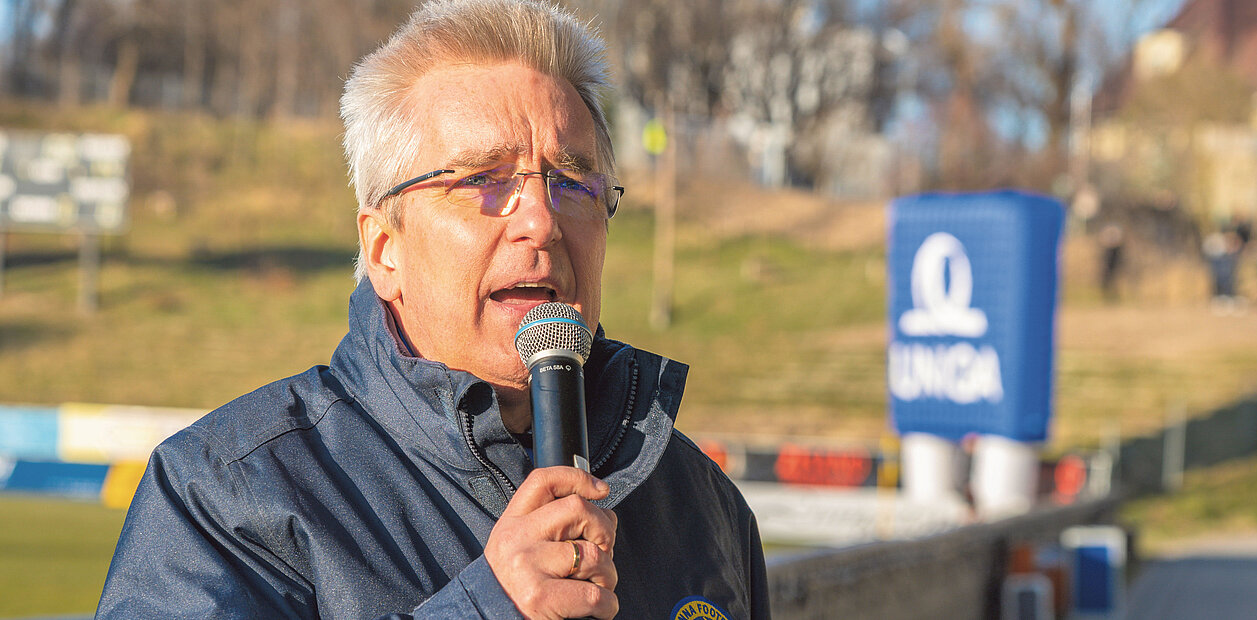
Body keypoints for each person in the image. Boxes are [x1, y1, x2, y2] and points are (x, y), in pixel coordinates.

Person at [96, 1, 769, 618]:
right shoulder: (225, 498)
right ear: (385, 250)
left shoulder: (705, 508)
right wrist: (487, 609)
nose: (539, 218)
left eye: (570, 182)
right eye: (482, 179)